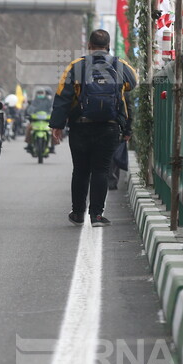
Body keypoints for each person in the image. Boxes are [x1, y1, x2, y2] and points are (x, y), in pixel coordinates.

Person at [49, 29, 135, 227]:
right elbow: (133, 83)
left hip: (81, 127)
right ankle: (96, 215)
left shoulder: (76, 66)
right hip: (109, 127)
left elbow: (63, 95)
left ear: (89, 46)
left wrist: (57, 125)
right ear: (108, 46)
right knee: (101, 170)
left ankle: (78, 213)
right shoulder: (120, 65)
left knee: (80, 170)